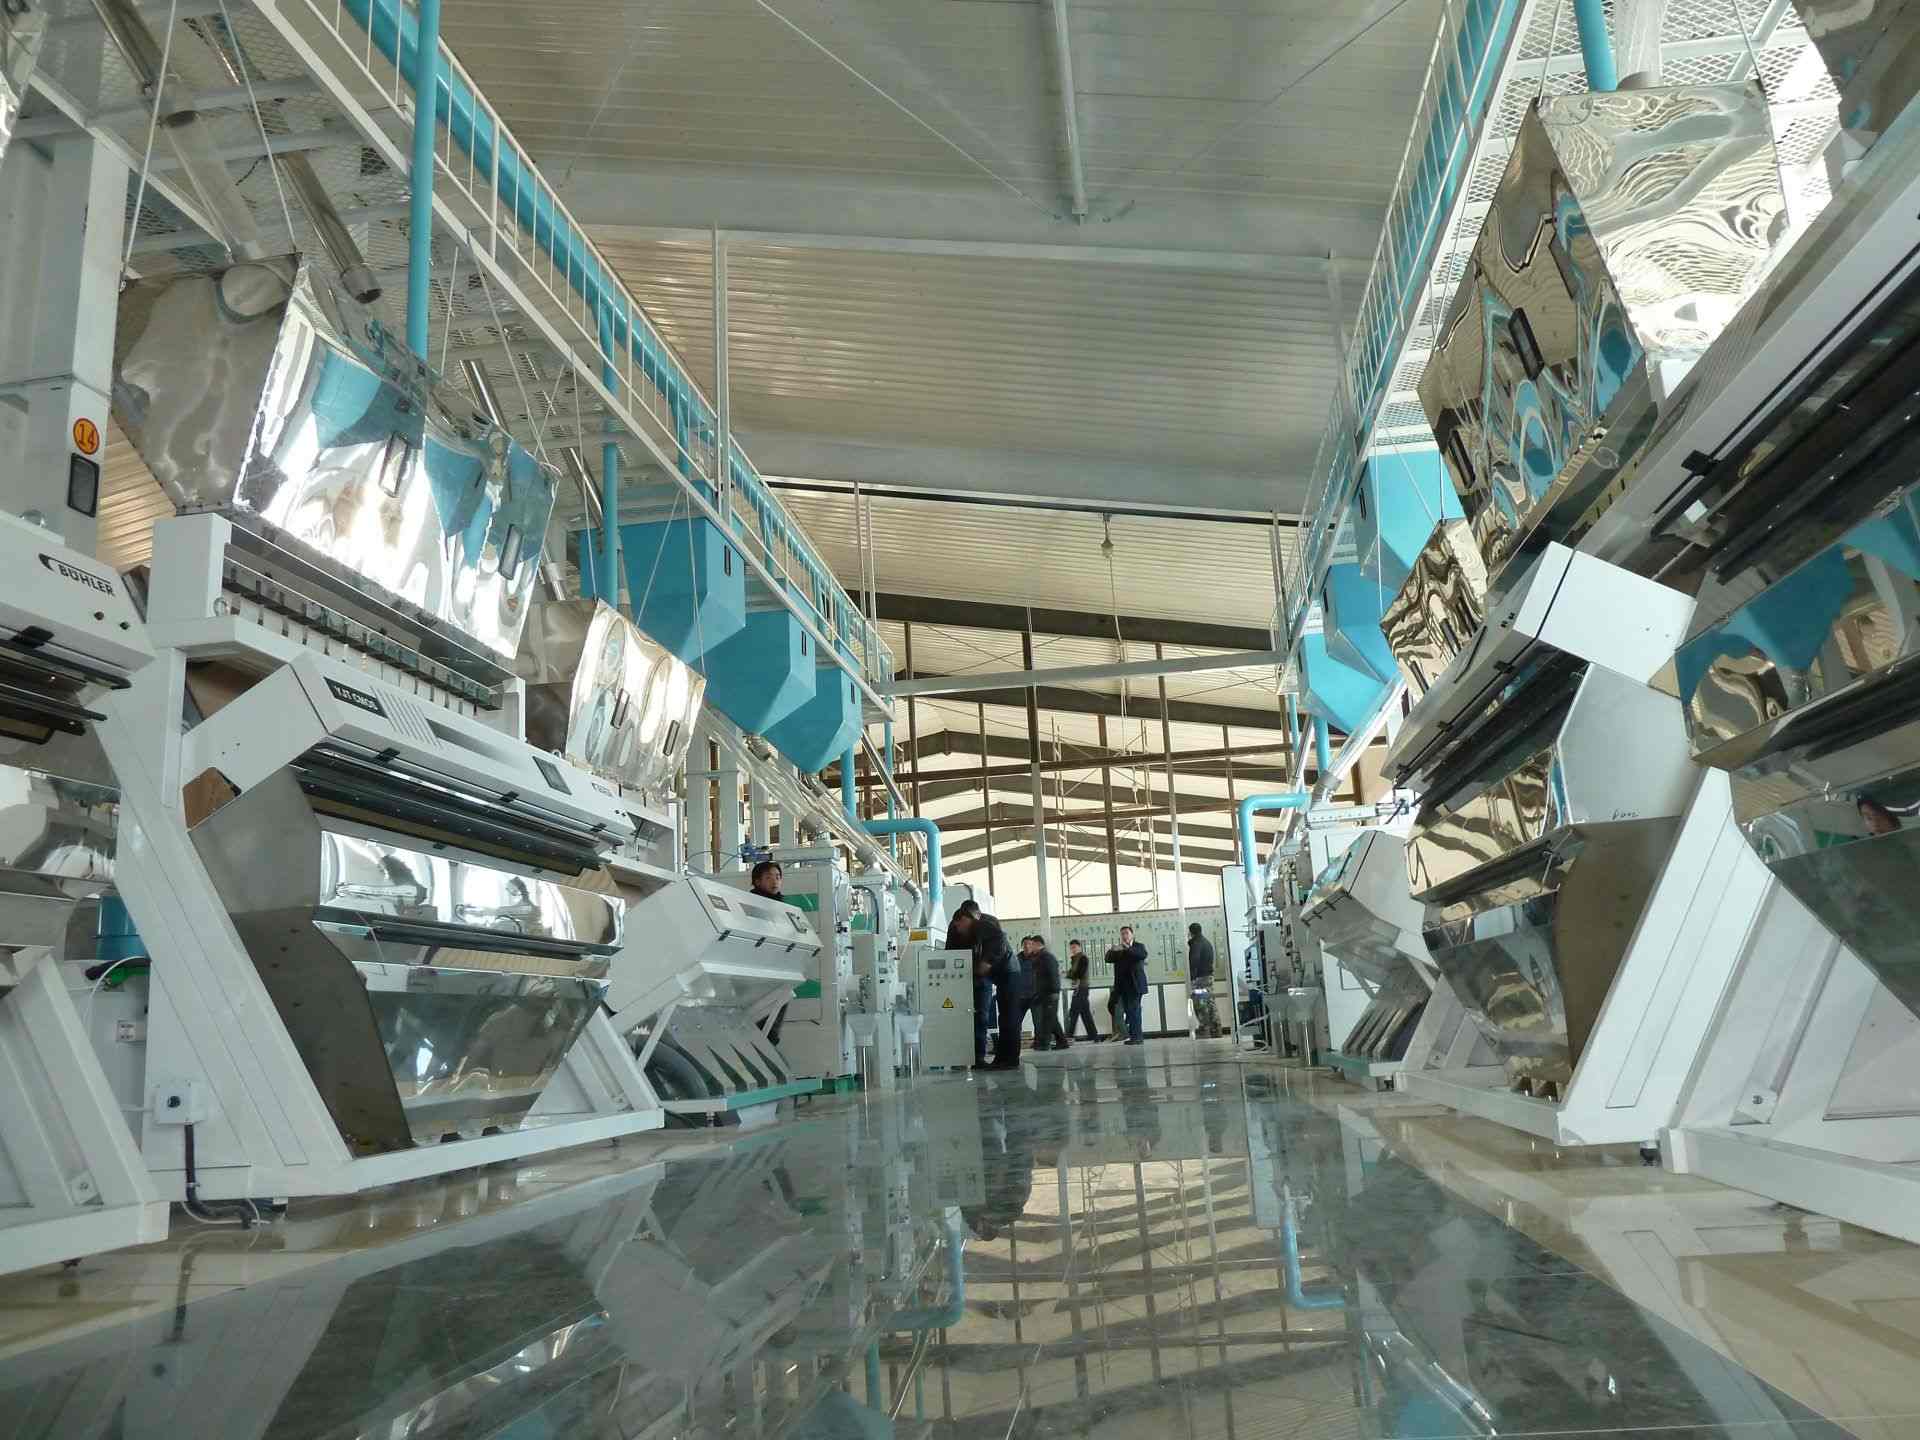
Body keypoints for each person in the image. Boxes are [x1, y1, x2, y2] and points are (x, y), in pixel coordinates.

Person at [950, 901, 1021, 1069]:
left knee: (1009, 1016)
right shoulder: (959, 929)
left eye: (959, 925)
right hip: (999, 975)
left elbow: (999, 940)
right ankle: (1001, 1058)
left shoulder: (982, 923)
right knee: (1004, 1017)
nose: (957, 929)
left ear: (965, 919)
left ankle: (1011, 1060)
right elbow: (951, 951)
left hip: (1009, 972)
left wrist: (987, 961)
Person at [1107, 925, 1149, 1045]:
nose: (1124, 936)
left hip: (1135, 985)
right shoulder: (1119, 949)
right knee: (1129, 1011)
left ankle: (1137, 1037)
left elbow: (1142, 955)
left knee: (1134, 1010)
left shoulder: (1138, 946)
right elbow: (1108, 959)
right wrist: (1112, 950)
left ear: (1132, 934)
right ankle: (1133, 1036)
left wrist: (1127, 948)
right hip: (1122, 986)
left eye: (1126, 933)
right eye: (1122, 934)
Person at [1026, 935, 1066, 1051]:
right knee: (1051, 1018)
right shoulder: (1040, 957)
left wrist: (1054, 991)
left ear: (1038, 944)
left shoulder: (1047, 957)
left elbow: (1053, 975)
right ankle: (1062, 1042)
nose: (1030, 947)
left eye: (1032, 944)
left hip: (1050, 993)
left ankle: (1045, 1044)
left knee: (1048, 1019)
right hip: (1044, 993)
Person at [1187, 922, 1222, 1039]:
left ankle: (1204, 1029)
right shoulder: (1206, 942)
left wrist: (1192, 977)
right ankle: (1216, 1029)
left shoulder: (1196, 943)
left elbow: (1194, 960)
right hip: (1208, 977)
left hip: (1200, 978)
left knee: (1200, 1003)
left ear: (1191, 932)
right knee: (1210, 1002)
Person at [1065, 939, 1100, 1041]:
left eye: (1074, 947)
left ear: (1079, 947)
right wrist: (1069, 974)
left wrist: (1068, 974)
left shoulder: (1083, 958)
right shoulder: (1075, 959)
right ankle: (1094, 1035)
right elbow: (1074, 973)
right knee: (1084, 1013)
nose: (1073, 949)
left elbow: (1079, 973)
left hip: (1082, 988)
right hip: (1079, 988)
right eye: (1071, 948)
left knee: (1074, 1012)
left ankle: (1069, 1036)